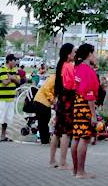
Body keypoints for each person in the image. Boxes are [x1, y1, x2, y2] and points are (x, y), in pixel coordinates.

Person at [71, 43, 99, 178]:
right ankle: (81, 172)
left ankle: (76, 170)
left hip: (77, 105)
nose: (96, 56)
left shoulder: (79, 68)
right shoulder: (87, 70)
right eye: (94, 53)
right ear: (89, 54)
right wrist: (93, 115)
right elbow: (89, 94)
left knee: (76, 137)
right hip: (85, 105)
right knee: (84, 137)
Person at [53, 42, 76, 170]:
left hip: (61, 101)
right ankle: (62, 162)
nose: (74, 54)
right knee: (66, 133)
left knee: (57, 132)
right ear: (68, 54)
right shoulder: (68, 66)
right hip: (68, 101)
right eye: (73, 52)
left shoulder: (60, 65)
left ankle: (52, 160)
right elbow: (71, 85)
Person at [0, 54, 20, 142]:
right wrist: (13, 79)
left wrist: (11, 78)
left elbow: (19, 81)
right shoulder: (2, 69)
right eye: (14, 61)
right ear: (9, 61)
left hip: (11, 99)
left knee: (7, 118)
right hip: (2, 99)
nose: (15, 63)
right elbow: (4, 82)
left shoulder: (15, 70)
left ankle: (3, 136)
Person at [32, 71, 56, 149]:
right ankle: (44, 141)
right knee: (43, 122)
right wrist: (52, 99)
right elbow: (46, 89)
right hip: (41, 101)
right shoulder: (54, 78)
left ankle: (45, 140)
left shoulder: (58, 79)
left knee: (46, 121)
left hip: (46, 103)